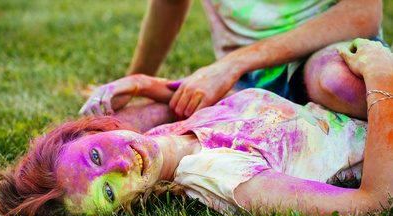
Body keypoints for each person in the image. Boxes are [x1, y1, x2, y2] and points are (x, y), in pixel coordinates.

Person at [0, 40, 392, 216]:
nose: (121, 165)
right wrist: (380, 76)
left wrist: (143, 82)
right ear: (124, 209)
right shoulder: (225, 177)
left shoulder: (173, 136)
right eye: (109, 191)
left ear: (91, 131)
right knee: (343, 81)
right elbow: (372, 203)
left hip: (345, 110)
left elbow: (235, 106)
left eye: (95, 156)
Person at [85, 0, 383, 121]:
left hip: (325, 49)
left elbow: (361, 14)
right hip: (243, 86)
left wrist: (231, 65)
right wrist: (132, 81)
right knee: (112, 128)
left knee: (341, 84)